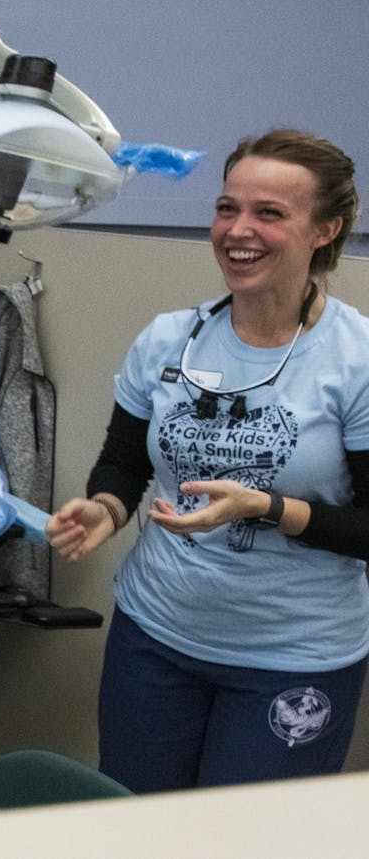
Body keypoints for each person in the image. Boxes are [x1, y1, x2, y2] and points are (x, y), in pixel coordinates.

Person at [47, 129, 369, 793]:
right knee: (136, 821)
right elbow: (123, 464)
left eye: (269, 213)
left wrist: (268, 509)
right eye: (227, 208)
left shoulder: (356, 359)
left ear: (325, 230)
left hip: (294, 657)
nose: (237, 230)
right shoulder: (168, 338)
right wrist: (104, 509)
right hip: (157, 637)